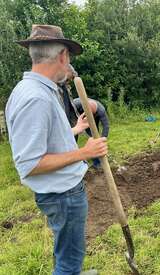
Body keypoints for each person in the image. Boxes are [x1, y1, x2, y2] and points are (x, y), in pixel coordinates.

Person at [5, 24, 105, 275]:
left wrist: (73, 131)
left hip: (63, 193)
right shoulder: (35, 98)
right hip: (63, 196)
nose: (68, 63)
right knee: (68, 262)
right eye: (68, 57)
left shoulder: (36, 91)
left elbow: (45, 140)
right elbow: (30, 164)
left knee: (68, 251)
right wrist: (85, 152)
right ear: (62, 56)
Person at [74, 98, 110, 169]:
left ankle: (97, 162)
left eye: (91, 113)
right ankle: (74, 160)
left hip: (94, 120)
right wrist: (76, 127)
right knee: (72, 139)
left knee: (95, 139)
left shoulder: (101, 110)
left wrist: (102, 139)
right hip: (77, 117)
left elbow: (106, 125)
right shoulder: (76, 104)